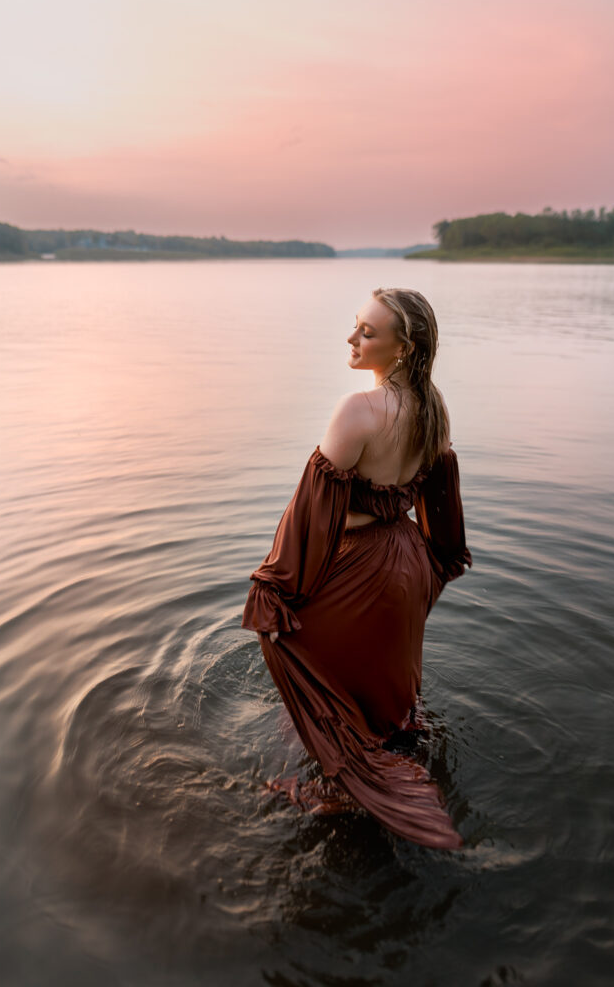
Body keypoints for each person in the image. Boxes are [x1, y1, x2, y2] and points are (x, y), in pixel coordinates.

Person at [241, 287, 472, 849]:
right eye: (356, 326)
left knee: (290, 640)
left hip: (364, 570)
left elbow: (312, 513)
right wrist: (432, 565)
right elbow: (440, 507)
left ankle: (348, 787)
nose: (352, 338)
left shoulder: (359, 411)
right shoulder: (435, 411)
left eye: (367, 332)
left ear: (404, 347)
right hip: (409, 564)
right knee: (380, 693)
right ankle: (383, 758)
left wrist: (274, 586)